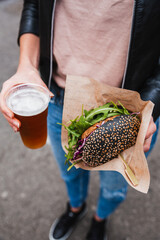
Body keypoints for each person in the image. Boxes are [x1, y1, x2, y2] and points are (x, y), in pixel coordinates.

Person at [0, 1, 160, 240]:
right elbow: (34, 5)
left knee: (114, 187)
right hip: (58, 95)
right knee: (70, 171)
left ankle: (100, 219)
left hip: (127, 111)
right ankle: (76, 209)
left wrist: (149, 105)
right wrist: (26, 66)